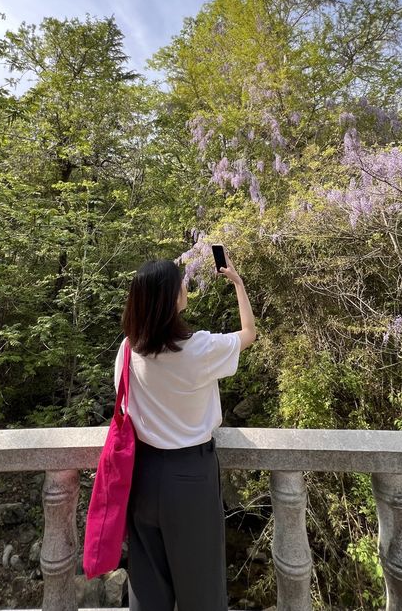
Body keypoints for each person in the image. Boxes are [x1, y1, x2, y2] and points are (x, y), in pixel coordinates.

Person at [114, 250, 256, 611]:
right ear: (170, 298)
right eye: (180, 282)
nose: (185, 285)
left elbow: (125, 405)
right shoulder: (200, 348)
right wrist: (237, 282)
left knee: (147, 588)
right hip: (190, 477)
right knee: (202, 590)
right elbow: (249, 333)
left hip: (143, 476)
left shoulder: (128, 350)